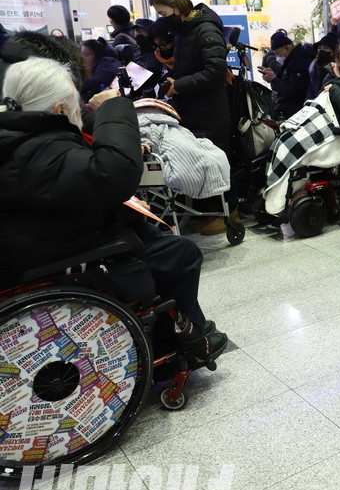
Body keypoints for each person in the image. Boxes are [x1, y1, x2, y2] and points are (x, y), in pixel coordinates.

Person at [0, 57, 227, 363]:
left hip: (43, 242)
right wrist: (114, 107)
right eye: (74, 106)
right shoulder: (40, 150)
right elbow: (114, 174)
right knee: (180, 252)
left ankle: (188, 326)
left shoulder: (19, 141)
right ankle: (178, 340)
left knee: (147, 228)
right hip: (69, 260)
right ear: (58, 110)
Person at [148, 0, 234, 235]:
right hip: (192, 106)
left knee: (216, 161)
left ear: (177, 4)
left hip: (210, 109)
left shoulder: (205, 29)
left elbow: (215, 72)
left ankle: (227, 212)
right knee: (198, 163)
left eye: (164, 13)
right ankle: (204, 212)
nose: (164, 19)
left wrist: (180, 85)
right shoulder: (185, 28)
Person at [260, 30, 316, 120]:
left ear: (286, 48)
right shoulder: (291, 60)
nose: (277, 57)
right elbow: (286, 80)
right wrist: (273, 74)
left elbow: (293, 91)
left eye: (277, 53)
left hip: (297, 112)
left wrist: (274, 79)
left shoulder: (300, 61)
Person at [79, 39, 122, 103]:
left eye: (86, 55)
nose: (83, 58)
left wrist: (76, 83)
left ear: (97, 55)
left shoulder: (108, 64)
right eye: (82, 55)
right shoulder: (100, 64)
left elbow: (97, 82)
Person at [307, 32, 338, 100]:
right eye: (319, 47)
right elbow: (311, 88)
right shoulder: (314, 67)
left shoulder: (338, 69)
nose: (321, 50)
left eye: (325, 48)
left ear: (333, 52)